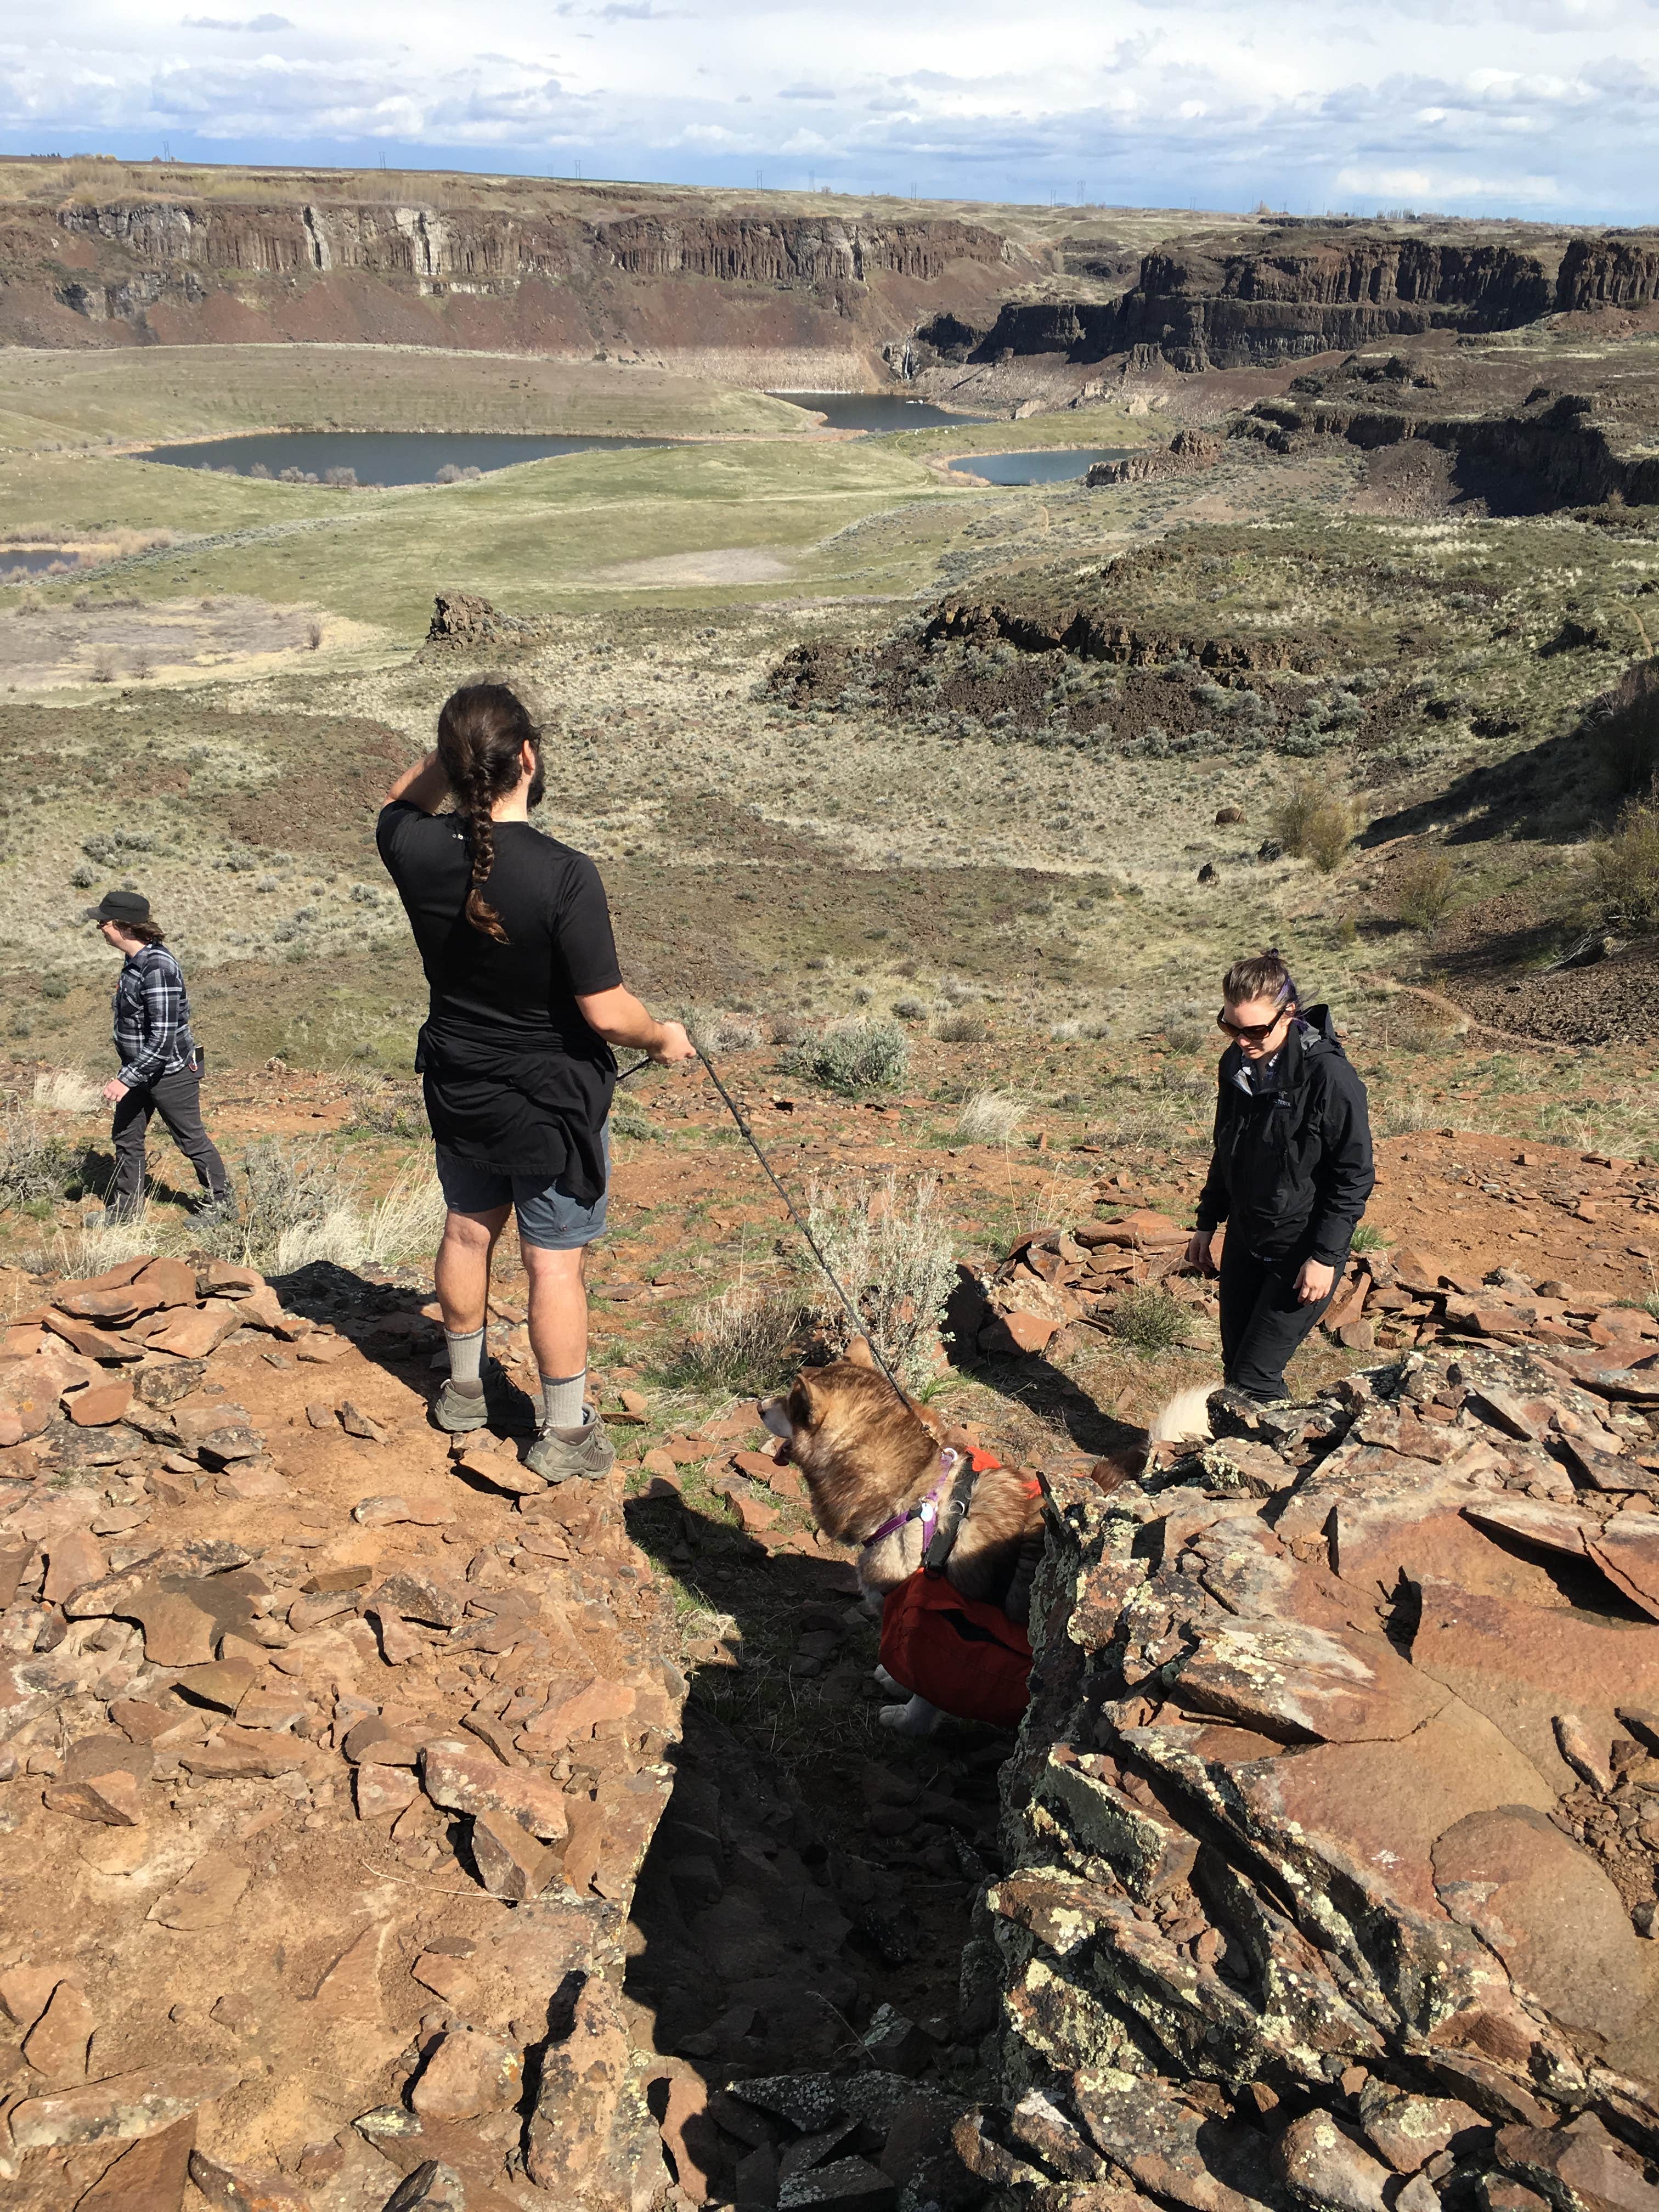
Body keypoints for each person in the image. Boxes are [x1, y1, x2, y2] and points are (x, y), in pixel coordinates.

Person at [377, 680, 696, 1483]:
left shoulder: (412, 849)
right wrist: (662, 1038)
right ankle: (564, 1434)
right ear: (527, 757)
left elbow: (399, 802)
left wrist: (452, 761)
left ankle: (462, 1391)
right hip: (551, 1101)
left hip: (457, 1081)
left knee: (465, 1230)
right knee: (554, 1265)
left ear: (454, 766)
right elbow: (608, 1012)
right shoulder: (564, 875)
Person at [1186, 948, 1374, 1403]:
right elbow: (1226, 1148)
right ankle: (1267, 1451)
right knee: (1238, 1369)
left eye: (1254, 1029)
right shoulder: (1235, 1065)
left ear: (1288, 1014)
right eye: (1229, 1027)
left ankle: (1256, 1465)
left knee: (1253, 1378)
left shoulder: (1328, 1076)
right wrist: (1207, 1222)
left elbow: (1354, 1175)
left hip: (1300, 1248)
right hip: (1247, 1237)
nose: (1242, 1039)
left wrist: (1326, 1257)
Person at [87, 888, 234, 1227]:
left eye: (104, 922)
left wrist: (125, 1079)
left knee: (190, 1140)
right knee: (126, 1135)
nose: (100, 929)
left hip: (170, 1073)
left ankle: (223, 1208)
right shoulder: (135, 962)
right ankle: (126, 1212)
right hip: (141, 1070)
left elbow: (163, 1040)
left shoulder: (158, 968)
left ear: (123, 925)